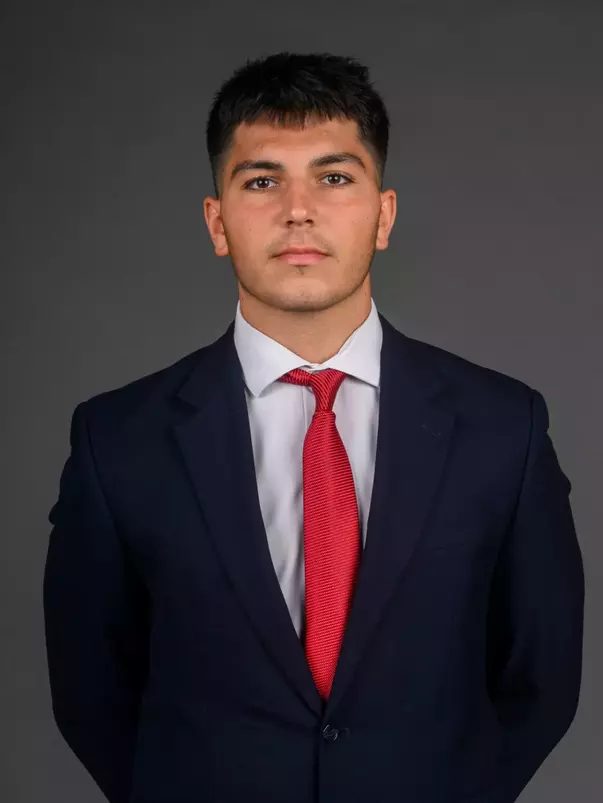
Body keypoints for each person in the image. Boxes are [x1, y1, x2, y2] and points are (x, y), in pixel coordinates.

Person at [43, 51, 584, 803]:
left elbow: (542, 676)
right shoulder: (117, 439)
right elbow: (88, 689)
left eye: (334, 177)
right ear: (217, 221)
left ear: (383, 213)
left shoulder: (504, 426)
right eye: (261, 180)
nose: (298, 208)